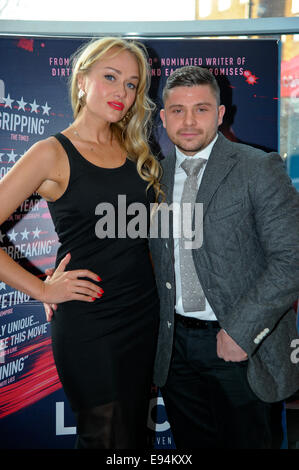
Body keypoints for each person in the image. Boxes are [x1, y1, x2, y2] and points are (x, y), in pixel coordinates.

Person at [0, 37, 163, 449]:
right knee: (105, 438)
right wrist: (41, 288)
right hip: (90, 321)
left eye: (131, 84)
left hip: (142, 314)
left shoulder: (135, 149)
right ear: (82, 80)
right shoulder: (51, 152)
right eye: (110, 77)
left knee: (132, 439)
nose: (122, 93)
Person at [149, 65, 299, 449]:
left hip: (239, 345)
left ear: (220, 114)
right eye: (178, 110)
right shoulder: (152, 177)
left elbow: (291, 259)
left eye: (201, 109)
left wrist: (240, 330)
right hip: (175, 348)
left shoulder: (258, 167)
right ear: (163, 117)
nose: (188, 121)